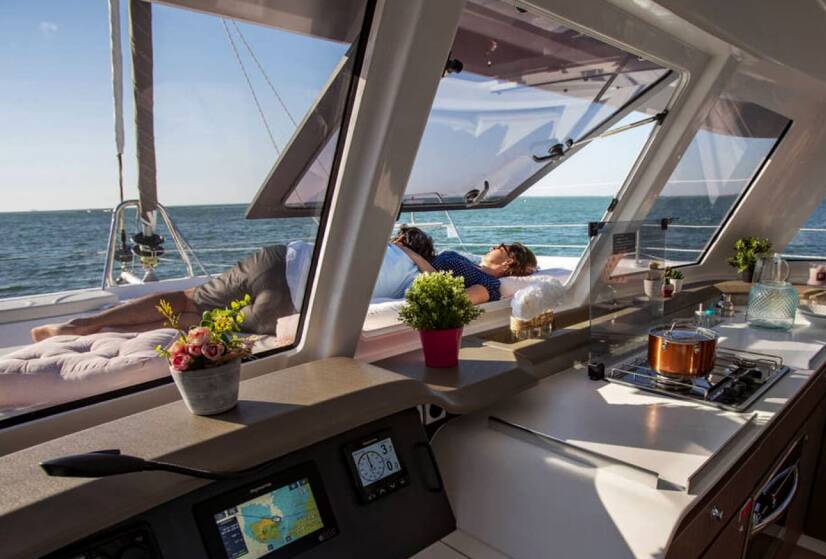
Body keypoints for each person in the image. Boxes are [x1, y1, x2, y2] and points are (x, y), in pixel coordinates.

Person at [30, 226, 437, 341]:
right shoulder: (416, 276)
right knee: (193, 321)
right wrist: (421, 262)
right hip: (289, 309)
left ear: (400, 237)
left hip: (279, 262)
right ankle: (97, 331)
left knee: (187, 299)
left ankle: (80, 326)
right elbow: (434, 294)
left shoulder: (378, 240)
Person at [397, 242, 538, 304]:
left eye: (500, 247)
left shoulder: (489, 284)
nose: (493, 247)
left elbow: (450, 300)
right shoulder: (475, 266)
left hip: (404, 274)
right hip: (407, 262)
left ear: (508, 261)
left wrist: (413, 255)